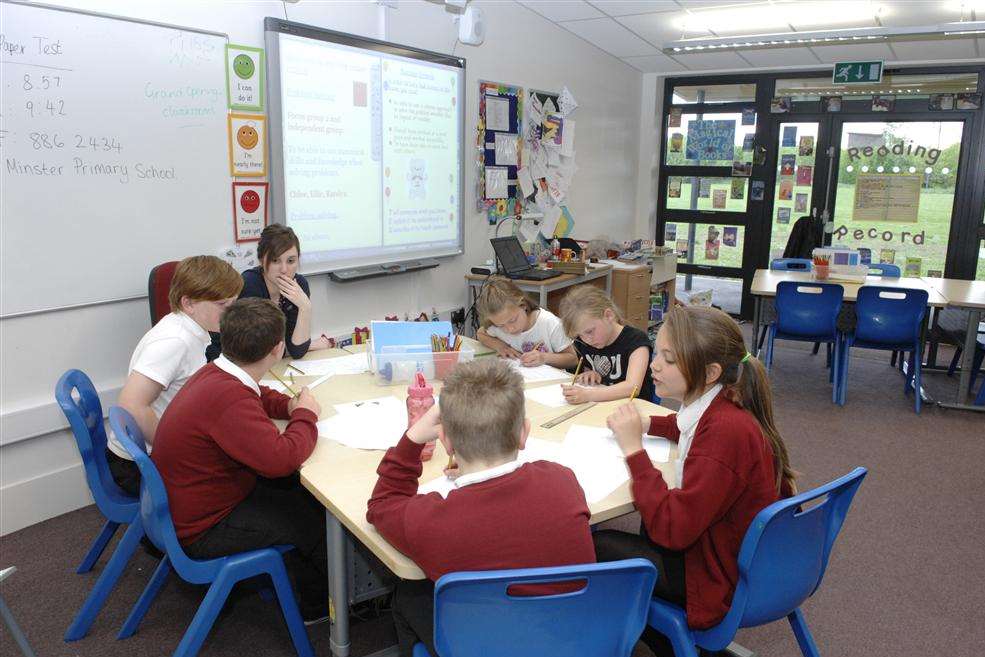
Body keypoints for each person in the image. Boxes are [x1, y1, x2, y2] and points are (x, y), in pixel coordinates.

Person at [594, 306, 796, 656]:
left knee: (597, 548)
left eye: (668, 359)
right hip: (748, 554)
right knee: (647, 522)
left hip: (716, 573)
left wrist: (633, 451)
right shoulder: (726, 403)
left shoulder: (723, 434)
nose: (655, 365)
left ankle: (666, 641)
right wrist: (648, 425)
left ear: (710, 372)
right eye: (657, 352)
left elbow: (674, 529)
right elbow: (689, 427)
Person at [366, 359, 595, 657]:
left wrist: (411, 440)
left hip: (483, 645)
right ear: (524, 433)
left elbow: (382, 504)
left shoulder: (432, 521)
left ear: (445, 442)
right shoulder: (562, 479)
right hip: (573, 639)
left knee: (408, 596)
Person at [151, 297, 330, 623]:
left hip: (186, 507)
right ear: (278, 349)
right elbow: (281, 460)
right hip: (203, 528)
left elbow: (255, 395)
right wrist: (305, 415)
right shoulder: (227, 397)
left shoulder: (217, 372)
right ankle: (321, 609)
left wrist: (288, 406)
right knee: (313, 521)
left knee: (297, 497)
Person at [109, 255, 242, 497]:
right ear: (188, 303)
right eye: (224, 305)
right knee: (244, 474)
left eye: (234, 303)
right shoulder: (175, 341)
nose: (231, 313)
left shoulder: (193, 329)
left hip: (154, 449)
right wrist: (176, 453)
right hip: (138, 465)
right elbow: (131, 404)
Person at [238, 224, 331, 359]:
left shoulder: (299, 285)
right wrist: (311, 346)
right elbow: (258, 352)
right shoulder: (250, 284)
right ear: (261, 260)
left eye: (291, 261)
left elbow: (297, 351)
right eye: (275, 260)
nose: (284, 269)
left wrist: (305, 307)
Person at [557, 285, 653, 404]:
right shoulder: (584, 342)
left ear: (609, 315)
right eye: (580, 335)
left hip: (633, 410)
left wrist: (588, 395)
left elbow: (633, 387)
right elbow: (586, 368)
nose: (587, 340)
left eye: (590, 331)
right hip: (600, 407)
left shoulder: (636, 341)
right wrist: (589, 375)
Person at [475, 277, 578, 369]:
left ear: (523, 305)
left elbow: (573, 360)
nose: (509, 329)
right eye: (501, 326)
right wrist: (501, 347)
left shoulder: (549, 323)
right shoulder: (497, 323)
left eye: (512, 320)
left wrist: (544, 357)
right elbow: (480, 333)